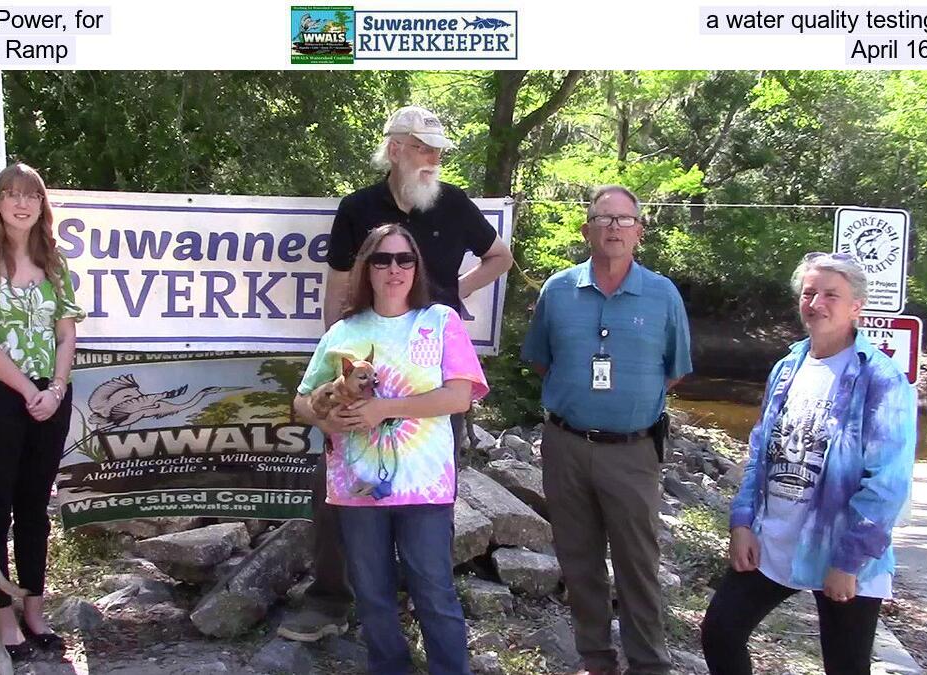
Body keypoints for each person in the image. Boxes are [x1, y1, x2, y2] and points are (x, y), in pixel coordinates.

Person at [279, 104, 511, 642]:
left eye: (437, 151)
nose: (433, 159)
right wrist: (336, 344)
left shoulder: (453, 204)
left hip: (430, 368)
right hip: (362, 362)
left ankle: (424, 596)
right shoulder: (357, 207)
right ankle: (331, 600)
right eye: (424, 148)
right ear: (396, 149)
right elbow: (339, 284)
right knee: (336, 484)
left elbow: (500, 256)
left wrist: (456, 295)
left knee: (433, 489)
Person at [700, 252, 916, 675]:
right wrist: (742, 522)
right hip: (772, 540)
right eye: (809, 293)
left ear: (857, 306)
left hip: (840, 549)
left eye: (831, 294)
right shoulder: (788, 366)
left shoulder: (882, 379)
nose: (816, 303)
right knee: (720, 633)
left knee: (846, 666)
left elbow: (887, 484)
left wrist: (848, 562)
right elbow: (761, 449)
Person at [293, 223, 488, 675]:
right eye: (382, 260)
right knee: (372, 593)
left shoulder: (440, 321)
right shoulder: (343, 332)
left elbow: (459, 396)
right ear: (366, 268)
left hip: (424, 487)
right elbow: (301, 399)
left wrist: (383, 408)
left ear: (417, 268)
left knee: (434, 591)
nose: (394, 269)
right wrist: (323, 416)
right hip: (355, 488)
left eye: (404, 259)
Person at [521, 185, 691, 675]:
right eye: (604, 218)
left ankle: (649, 664)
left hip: (633, 450)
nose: (614, 227)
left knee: (638, 563)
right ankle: (594, 658)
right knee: (579, 559)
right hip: (566, 445)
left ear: (639, 231)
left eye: (624, 219)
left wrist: (628, 399)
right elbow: (540, 360)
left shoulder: (662, 294)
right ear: (586, 229)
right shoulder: (557, 290)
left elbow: (674, 369)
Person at [0, 163, 84, 660]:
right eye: (11, 195)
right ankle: (1, 615)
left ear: (41, 205)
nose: (22, 204)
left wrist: (54, 387)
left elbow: (67, 332)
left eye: (31, 196)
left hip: (51, 397)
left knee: (35, 508)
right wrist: (27, 389)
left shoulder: (56, 263)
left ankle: (34, 609)